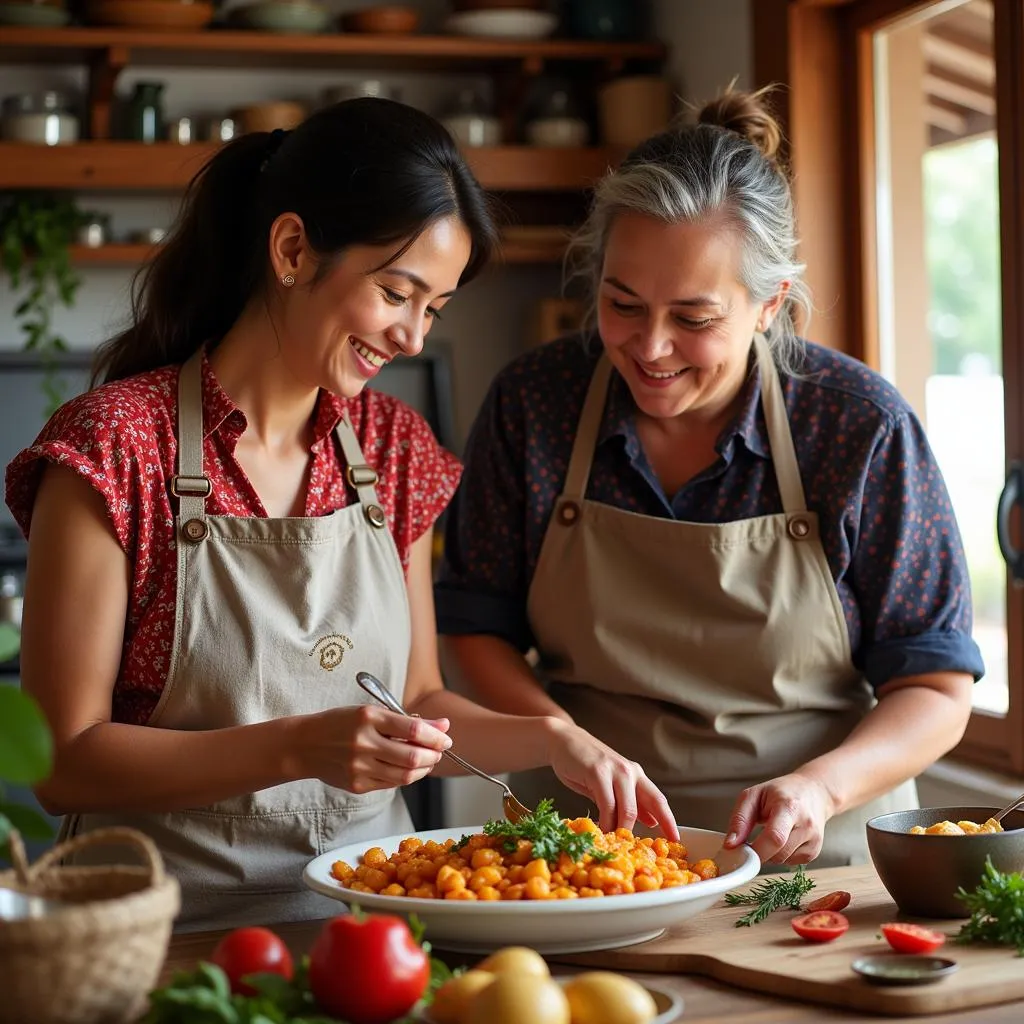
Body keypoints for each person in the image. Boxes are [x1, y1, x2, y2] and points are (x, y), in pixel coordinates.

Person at [4, 98, 677, 931]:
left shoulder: (395, 448)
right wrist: (294, 747)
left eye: (434, 308)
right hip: (155, 933)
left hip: (370, 928)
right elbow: (63, 762)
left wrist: (550, 737)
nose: (412, 338)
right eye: (398, 292)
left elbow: (420, 695)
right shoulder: (114, 447)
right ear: (292, 250)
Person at [435, 86, 985, 869]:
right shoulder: (534, 403)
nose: (650, 347)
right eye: (622, 304)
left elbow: (935, 686)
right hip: (583, 850)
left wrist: (822, 790)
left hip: (812, 859)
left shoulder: (858, 426)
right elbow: (474, 627)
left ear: (770, 305)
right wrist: (563, 740)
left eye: (693, 319)